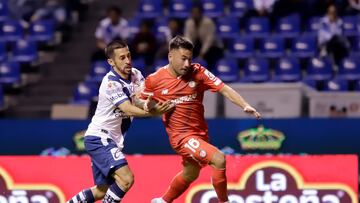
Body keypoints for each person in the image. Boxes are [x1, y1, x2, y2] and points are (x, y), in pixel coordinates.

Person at [140, 36, 261, 203]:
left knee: (191, 173)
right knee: (219, 158)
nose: (187, 64)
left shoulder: (198, 72)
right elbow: (140, 100)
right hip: (181, 137)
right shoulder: (155, 79)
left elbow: (224, 88)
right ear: (170, 56)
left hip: (199, 133)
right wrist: (149, 107)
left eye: (189, 59)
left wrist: (244, 104)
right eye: (183, 59)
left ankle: (163, 201)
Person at [67, 40, 172, 203]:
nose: (128, 61)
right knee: (126, 178)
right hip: (99, 138)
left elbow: (139, 100)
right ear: (111, 62)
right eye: (122, 58)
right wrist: (154, 112)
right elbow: (128, 108)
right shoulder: (110, 83)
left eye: (128, 56)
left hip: (111, 140)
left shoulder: (136, 74)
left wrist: (155, 104)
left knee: (102, 191)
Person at [184, 6, 223, 70]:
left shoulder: (208, 22)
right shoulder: (189, 22)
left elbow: (209, 40)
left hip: (213, 46)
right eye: (193, 12)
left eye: (196, 12)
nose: (195, 14)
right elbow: (187, 37)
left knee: (210, 54)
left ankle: (209, 72)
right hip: (198, 45)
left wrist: (202, 54)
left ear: (201, 13)